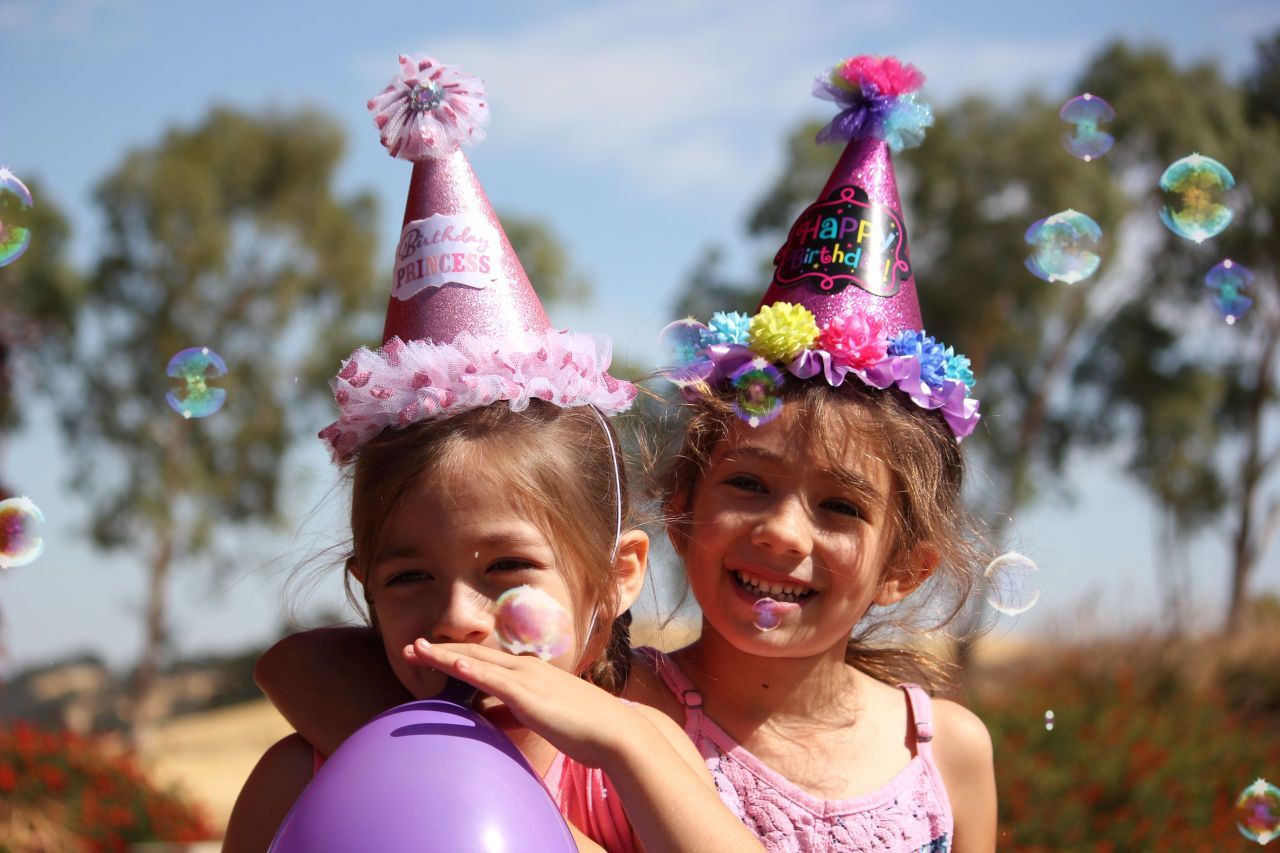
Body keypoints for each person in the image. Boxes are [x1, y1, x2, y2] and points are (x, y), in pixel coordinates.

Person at [255, 54, 999, 852]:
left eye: (842, 504)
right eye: (748, 483)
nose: (783, 532)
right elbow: (302, 663)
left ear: (906, 565)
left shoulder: (635, 734)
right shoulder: (631, 705)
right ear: (685, 507)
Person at [222, 54, 764, 853]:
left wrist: (628, 743)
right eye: (407, 577)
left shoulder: (635, 774)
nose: (458, 619)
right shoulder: (302, 775)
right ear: (363, 590)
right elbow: (292, 661)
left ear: (615, 578)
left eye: (508, 569)